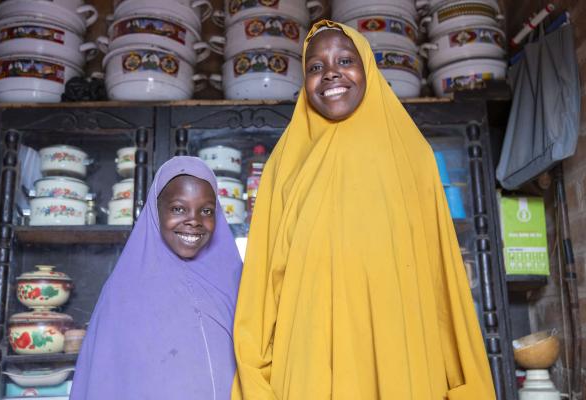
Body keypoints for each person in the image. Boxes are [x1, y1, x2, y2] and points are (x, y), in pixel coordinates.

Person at [231, 20, 495, 400]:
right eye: (315, 67)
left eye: (345, 59)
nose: (331, 73)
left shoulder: (411, 156)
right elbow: (260, 291)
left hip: (399, 362)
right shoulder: (284, 166)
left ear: (367, 66)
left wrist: (463, 385)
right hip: (309, 368)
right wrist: (257, 386)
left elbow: (443, 281)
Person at [70, 156, 242, 399]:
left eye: (206, 210)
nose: (194, 220)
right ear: (154, 210)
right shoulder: (123, 294)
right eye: (178, 209)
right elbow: (102, 381)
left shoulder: (236, 283)